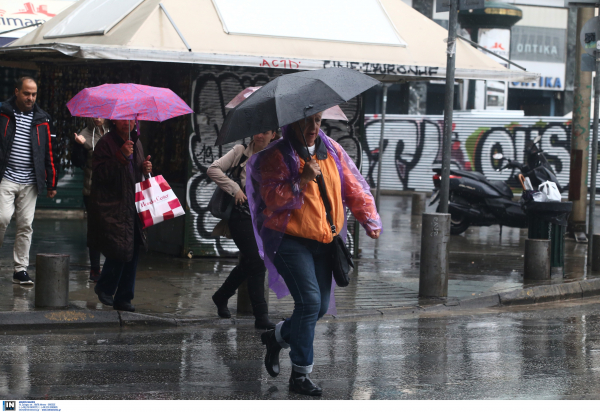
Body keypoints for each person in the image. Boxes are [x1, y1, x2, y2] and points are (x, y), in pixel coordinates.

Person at [246, 113, 382, 396]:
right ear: (291, 123)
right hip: (289, 240)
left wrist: (370, 219)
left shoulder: (331, 149)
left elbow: (354, 186)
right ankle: (300, 374)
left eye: (318, 120)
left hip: (324, 240)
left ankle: (278, 336)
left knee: (318, 308)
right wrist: (301, 179)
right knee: (309, 303)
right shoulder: (274, 156)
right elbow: (270, 198)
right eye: (306, 121)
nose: (313, 127)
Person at [207, 130, 277, 330]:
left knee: (249, 263)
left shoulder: (275, 157)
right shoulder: (241, 152)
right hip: (240, 216)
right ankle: (261, 316)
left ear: (273, 134)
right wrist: (234, 188)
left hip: (263, 219)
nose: (259, 135)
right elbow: (213, 169)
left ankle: (221, 296)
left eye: (265, 132)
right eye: (256, 130)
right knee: (257, 261)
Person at [87, 119, 151, 312]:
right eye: (123, 118)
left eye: (131, 119)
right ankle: (105, 286)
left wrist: (145, 169)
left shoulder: (136, 142)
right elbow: (99, 175)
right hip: (112, 206)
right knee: (119, 249)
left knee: (132, 250)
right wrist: (120, 156)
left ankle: (124, 298)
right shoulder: (105, 143)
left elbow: (136, 173)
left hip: (133, 206)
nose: (127, 123)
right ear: (114, 120)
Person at [0, 77, 58, 285]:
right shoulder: (3, 113)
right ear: (17, 91)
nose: (30, 98)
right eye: (26, 93)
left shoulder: (42, 119)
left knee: (25, 225)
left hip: (30, 181)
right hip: (6, 176)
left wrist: (51, 182)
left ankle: (20, 270)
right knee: (2, 218)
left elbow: (48, 153)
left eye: (33, 94)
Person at [73, 118, 108, 283]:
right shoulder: (85, 134)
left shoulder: (114, 131)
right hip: (92, 190)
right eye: (94, 114)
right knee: (95, 228)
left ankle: (110, 267)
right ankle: (95, 268)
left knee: (111, 229)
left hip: (112, 189)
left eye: (101, 113)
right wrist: (78, 145)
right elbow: (78, 162)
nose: (98, 117)